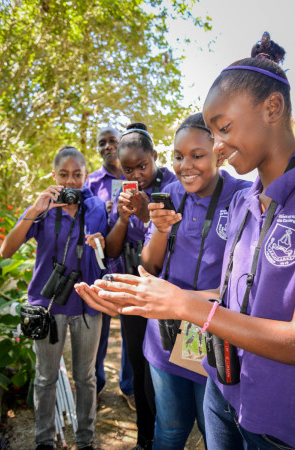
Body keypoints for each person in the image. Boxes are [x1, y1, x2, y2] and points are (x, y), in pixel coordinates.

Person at [75, 32, 295, 450]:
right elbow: (231, 297)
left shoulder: (237, 195)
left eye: (223, 130)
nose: (218, 146)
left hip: (274, 419)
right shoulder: (249, 200)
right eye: (212, 134)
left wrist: (185, 305)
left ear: (272, 108)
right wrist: (141, 297)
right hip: (223, 388)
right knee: (168, 431)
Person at [140, 113, 250, 449]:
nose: (185, 165)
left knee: (214, 432)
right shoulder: (168, 194)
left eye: (197, 155)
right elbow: (148, 265)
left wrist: (195, 298)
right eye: (177, 155)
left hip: (216, 341)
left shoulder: (243, 198)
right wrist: (160, 229)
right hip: (165, 337)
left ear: (219, 153)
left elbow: (246, 282)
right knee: (170, 430)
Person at [1, 146, 107, 450]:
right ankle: (44, 440)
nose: (71, 181)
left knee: (86, 378)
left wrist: (99, 243)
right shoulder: (44, 209)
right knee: (46, 377)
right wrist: (34, 209)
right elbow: (6, 251)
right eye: (64, 175)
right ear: (53, 175)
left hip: (87, 303)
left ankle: (85, 440)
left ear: (86, 175)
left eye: (77, 175)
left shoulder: (97, 208)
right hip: (47, 306)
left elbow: (106, 256)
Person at [105, 122, 177, 450]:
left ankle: (168, 434)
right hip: (133, 293)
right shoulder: (123, 194)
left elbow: (174, 249)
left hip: (168, 295)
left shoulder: (176, 187)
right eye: (128, 168)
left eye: (142, 165)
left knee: (162, 374)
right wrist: (122, 217)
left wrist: (149, 215)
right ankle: (144, 438)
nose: (137, 173)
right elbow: (112, 250)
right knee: (138, 364)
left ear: (156, 157)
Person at [84, 126, 134, 409]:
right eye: (101, 143)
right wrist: (98, 212)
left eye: (112, 141)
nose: (107, 146)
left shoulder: (132, 175)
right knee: (99, 329)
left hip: (130, 262)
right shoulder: (90, 181)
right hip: (100, 264)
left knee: (131, 327)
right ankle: (96, 384)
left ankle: (129, 387)